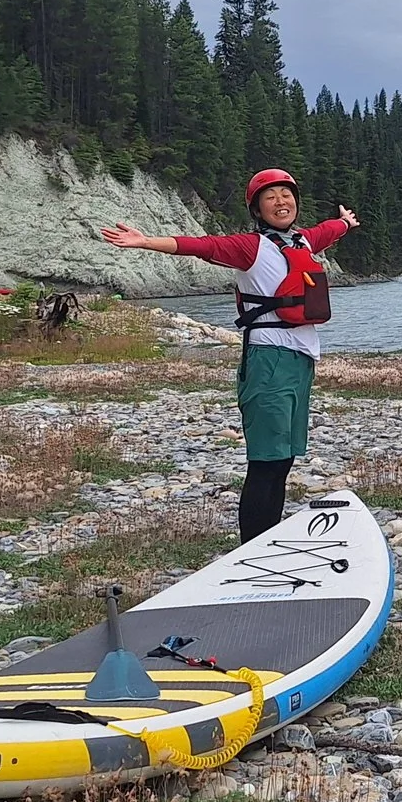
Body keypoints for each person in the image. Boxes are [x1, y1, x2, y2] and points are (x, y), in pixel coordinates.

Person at [98, 169, 358, 542]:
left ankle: (268, 538)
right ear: (257, 208)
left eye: (287, 194)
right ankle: (252, 546)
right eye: (271, 197)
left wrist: (344, 223)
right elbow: (200, 246)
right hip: (268, 357)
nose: (281, 201)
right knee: (265, 461)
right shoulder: (249, 248)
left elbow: (327, 231)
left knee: (283, 459)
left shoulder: (302, 241)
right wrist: (144, 242)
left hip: (300, 358)